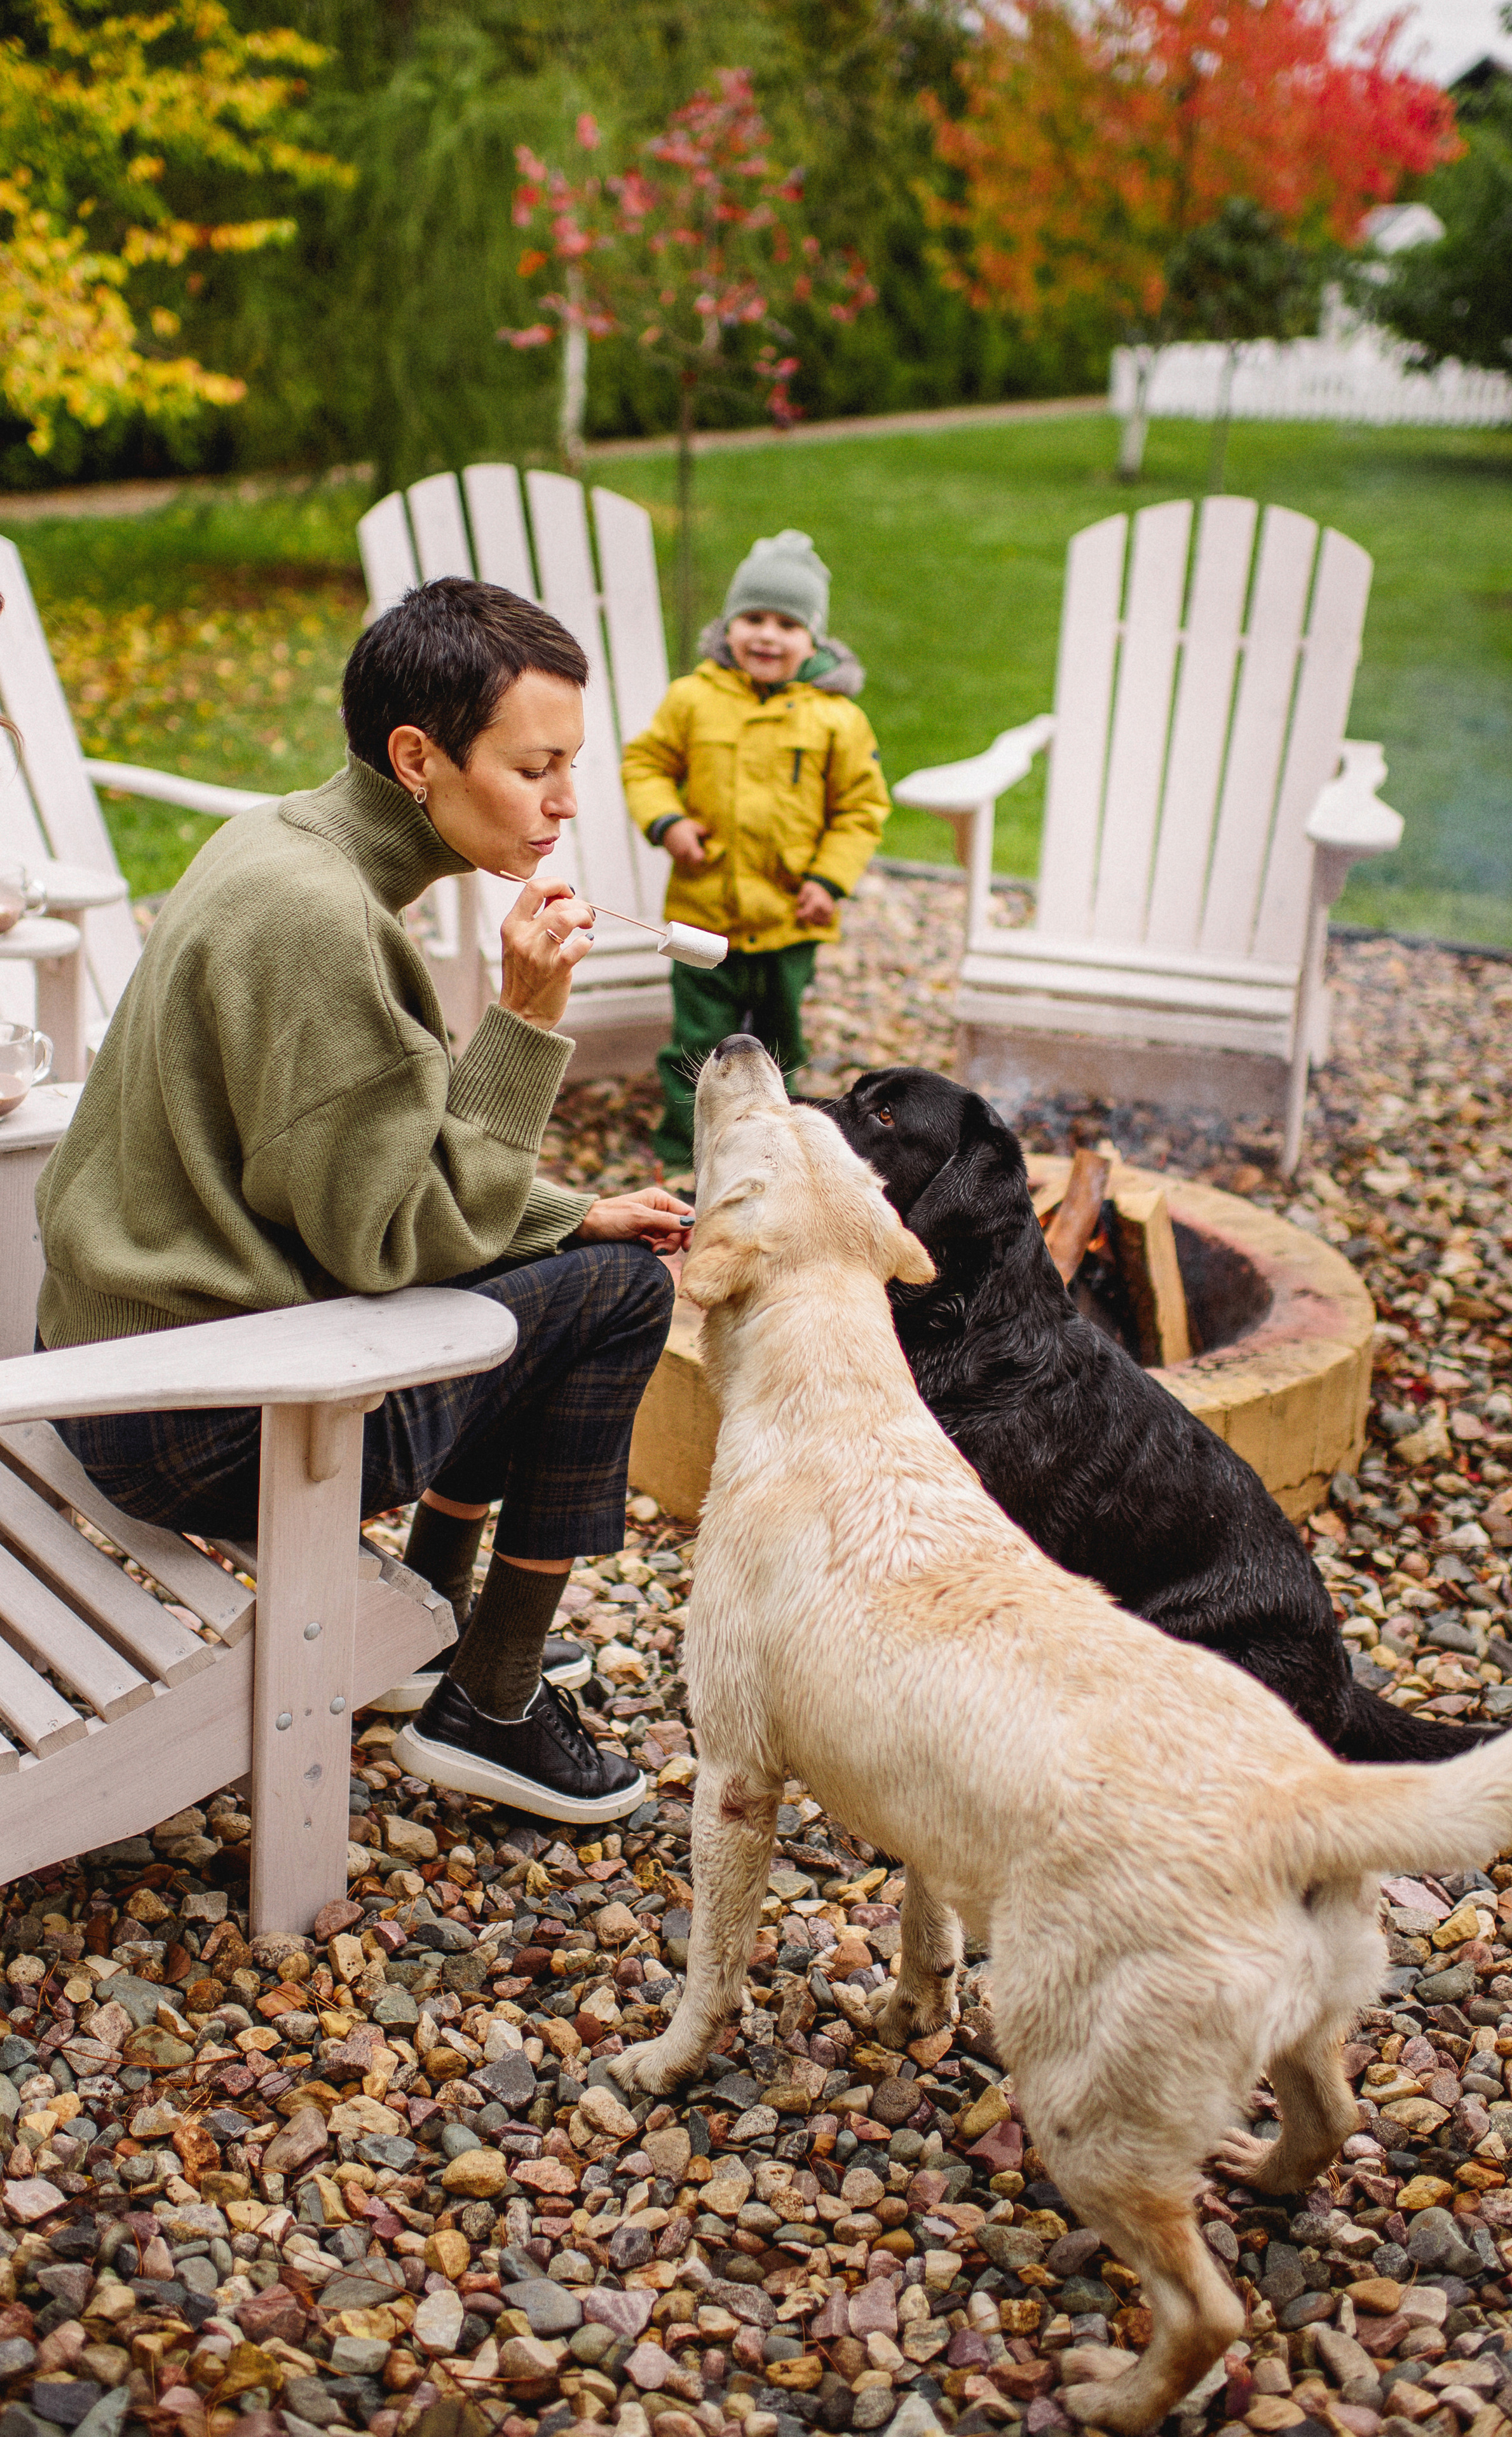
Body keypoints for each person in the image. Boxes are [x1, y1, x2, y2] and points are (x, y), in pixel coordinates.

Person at [36, 577, 691, 1824]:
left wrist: (559, 1215)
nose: (566, 800)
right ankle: (492, 1701)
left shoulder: (278, 842)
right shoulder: (328, 927)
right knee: (619, 1297)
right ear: (417, 758)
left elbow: (347, 1160)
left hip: (114, 1355)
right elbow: (395, 1240)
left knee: (577, 1259)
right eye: (535, 767)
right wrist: (525, 1021)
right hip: (201, 1420)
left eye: (571, 764)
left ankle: (424, 1632)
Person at [622, 529, 890, 1173]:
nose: (767, 636)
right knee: (697, 1038)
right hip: (703, 908)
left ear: (814, 639)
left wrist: (828, 881)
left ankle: (774, 1145)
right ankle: (686, 1150)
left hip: (788, 919)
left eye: (787, 625)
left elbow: (860, 809)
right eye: (753, 619)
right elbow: (646, 763)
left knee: (778, 1040)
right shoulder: (694, 698)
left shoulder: (837, 719)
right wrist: (668, 822)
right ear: (728, 626)